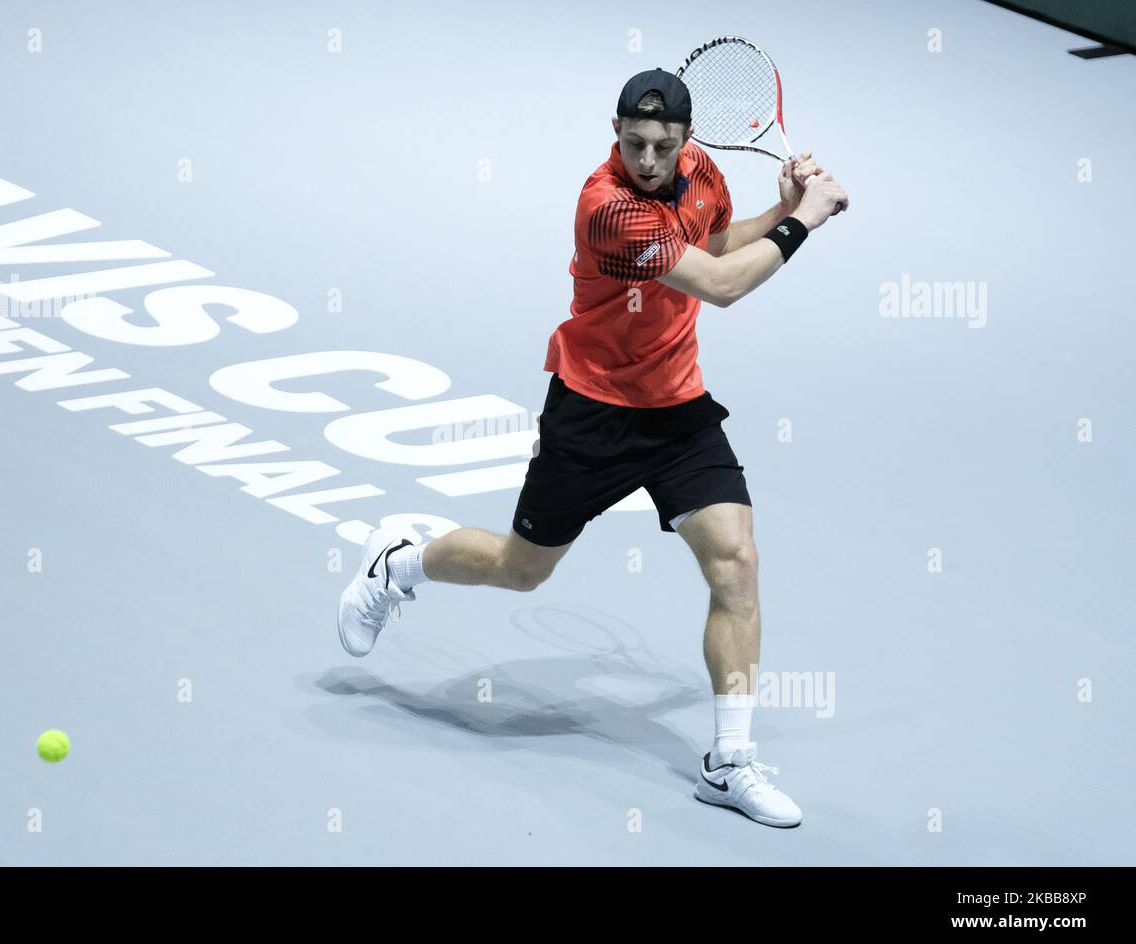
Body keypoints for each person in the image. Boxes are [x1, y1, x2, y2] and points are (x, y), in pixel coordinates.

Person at [337, 68, 849, 828]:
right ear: (614, 132)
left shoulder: (702, 172)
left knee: (736, 562)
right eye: (634, 143)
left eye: (663, 146)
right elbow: (721, 284)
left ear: (687, 140)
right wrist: (804, 220)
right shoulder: (607, 209)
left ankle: (729, 763)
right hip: (593, 412)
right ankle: (400, 562)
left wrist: (782, 209)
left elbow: (712, 245)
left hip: (677, 410)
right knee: (520, 570)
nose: (647, 159)